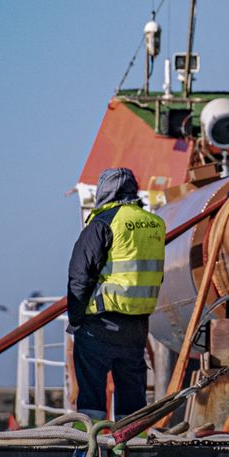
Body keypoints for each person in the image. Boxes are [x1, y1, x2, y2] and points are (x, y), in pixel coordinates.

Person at [66, 167, 165, 420]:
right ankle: (131, 445)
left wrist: (76, 319)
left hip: (100, 322)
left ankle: (91, 443)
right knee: (132, 394)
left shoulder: (103, 223)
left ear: (105, 191)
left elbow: (80, 275)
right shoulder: (155, 224)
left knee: (91, 392)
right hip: (137, 326)